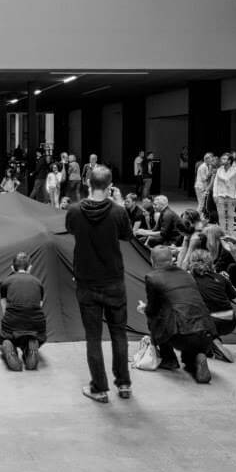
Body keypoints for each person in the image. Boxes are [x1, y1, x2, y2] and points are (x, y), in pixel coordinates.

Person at [65, 165, 133, 403]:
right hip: (114, 280)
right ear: (110, 184)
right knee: (119, 334)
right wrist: (119, 203)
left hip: (86, 282)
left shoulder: (74, 211)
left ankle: (99, 388)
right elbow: (127, 236)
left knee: (93, 337)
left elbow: (72, 230)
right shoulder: (118, 213)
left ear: (87, 182)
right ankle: (124, 384)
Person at [139, 247, 216, 383]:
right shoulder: (187, 274)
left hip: (181, 334)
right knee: (189, 355)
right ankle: (197, 356)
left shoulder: (152, 277)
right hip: (207, 331)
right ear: (172, 259)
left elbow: (153, 309)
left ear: (152, 261)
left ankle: (169, 359)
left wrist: (144, 309)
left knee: (154, 318)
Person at [187, 249, 236, 363]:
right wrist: (228, 282)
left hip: (210, 322)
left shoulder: (188, 279)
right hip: (230, 321)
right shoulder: (221, 278)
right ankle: (212, 338)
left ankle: (211, 341)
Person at [0, 252, 46, 371]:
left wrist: (11, 321)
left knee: (5, 338)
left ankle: (10, 346)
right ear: (29, 267)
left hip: (12, 321)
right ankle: (30, 347)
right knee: (33, 335)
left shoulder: (6, 282)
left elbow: (4, 307)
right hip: (36, 324)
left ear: (12, 268)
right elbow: (39, 306)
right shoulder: (38, 283)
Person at [212, 153, 236, 235]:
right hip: (220, 195)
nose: (222, 160)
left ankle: (230, 233)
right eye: (222, 159)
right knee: (221, 215)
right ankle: (222, 232)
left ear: (229, 161)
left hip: (231, 196)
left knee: (230, 216)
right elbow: (216, 184)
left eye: (224, 159)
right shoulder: (219, 170)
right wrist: (215, 195)